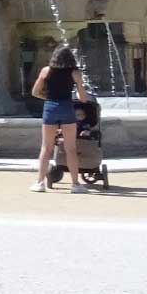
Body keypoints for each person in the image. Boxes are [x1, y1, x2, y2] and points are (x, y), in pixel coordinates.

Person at [31, 45, 91, 193]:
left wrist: (48, 98)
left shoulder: (46, 71)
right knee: (70, 148)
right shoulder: (74, 73)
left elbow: (35, 92)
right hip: (66, 108)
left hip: (50, 107)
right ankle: (75, 184)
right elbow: (83, 99)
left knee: (46, 148)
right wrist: (79, 85)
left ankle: (39, 183)